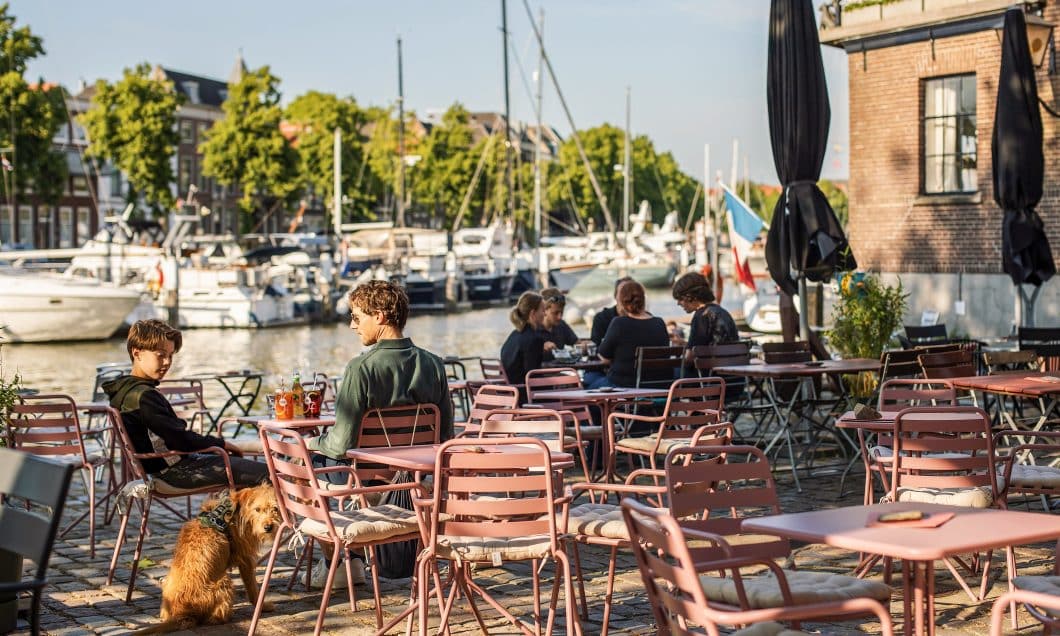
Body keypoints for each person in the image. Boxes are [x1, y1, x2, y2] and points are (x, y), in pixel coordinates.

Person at [306, 280, 453, 587]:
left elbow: (340, 445)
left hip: (363, 476)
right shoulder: (434, 365)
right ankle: (361, 549)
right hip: (413, 476)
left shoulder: (362, 368)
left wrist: (311, 441)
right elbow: (445, 436)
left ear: (381, 317)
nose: (351, 325)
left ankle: (347, 560)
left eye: (357, 317)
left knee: (293, 462)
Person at [103, 319, 269, 490]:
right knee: (271, 475)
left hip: (160, 469)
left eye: (170, 355)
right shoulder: (144, 396)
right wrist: (221, 444)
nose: (167, 362)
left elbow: (175, 437)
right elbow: (181, 440)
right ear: (137, 353)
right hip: (176, 472)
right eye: (160, 355)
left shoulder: (124, 391)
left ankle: (228, 513)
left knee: (245, 468)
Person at [591, 280, 670, 388]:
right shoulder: (659, 323)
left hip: (624, 385)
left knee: (589, 383)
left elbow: (604, 358)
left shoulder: (619, 323)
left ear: (622, 302)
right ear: (643, 299)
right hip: (658, 384)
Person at [671, 271, 738, 349]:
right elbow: (709, 347)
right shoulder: (723, 312)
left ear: (690, 296)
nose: (678, 303)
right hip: (733, 360)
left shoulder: (701, 316)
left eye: (680, 299)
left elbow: (690, 356)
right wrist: (685, 344)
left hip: (713, 361)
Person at [501, 291, 551, 390]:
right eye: (542, 310)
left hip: (511, 393)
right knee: (567, 382)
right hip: (526, 395)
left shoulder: (513, 336)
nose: (545, 314)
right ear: (533, 313)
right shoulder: (534, 339)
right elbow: (533, 377)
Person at [589, 276, 634, 345]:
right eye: (623, 292)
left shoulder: (644, 320)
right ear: (615, 296)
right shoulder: (601, 318)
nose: (626, 297)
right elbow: (595, 346)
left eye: (630, 292)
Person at [539, 288, 580, 359]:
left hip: (560, 368)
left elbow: (577, 343)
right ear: (544, 310)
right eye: (555, 313)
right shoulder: (532, 328)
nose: (560, 317)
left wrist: (585, 346)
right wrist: (539, 347)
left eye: (562, 312)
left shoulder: (561, 325)